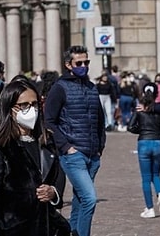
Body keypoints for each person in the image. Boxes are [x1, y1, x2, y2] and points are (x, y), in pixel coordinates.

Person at [0, 80, 69, 236]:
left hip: (44, 225)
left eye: (34, 104)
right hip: (11, 225)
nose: (31, 110)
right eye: (24, 105)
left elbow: (58, 175)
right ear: (10, 109)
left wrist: (53, 192)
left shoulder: (46, 140)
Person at [44, 45, 106, 236]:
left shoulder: (91, 87)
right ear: (68, 65)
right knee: (89, 198)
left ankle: (70, 232)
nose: (83, 66)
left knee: (80, 199)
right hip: (73, 153)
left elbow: (100, 119)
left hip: (92, 153)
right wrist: (66, 147)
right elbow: (49, 120)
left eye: (86, 62)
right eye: (79, 63)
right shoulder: (59, 88)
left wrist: (99, 147)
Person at [127, 83, 160, 219]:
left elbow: (131, 127)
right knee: (156, 174)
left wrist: (142, 130)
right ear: (157, 94)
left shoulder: (139, 110)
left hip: (144, 142)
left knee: (145, 178)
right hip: (158, 142)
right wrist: (159, 130)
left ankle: (150, 208)